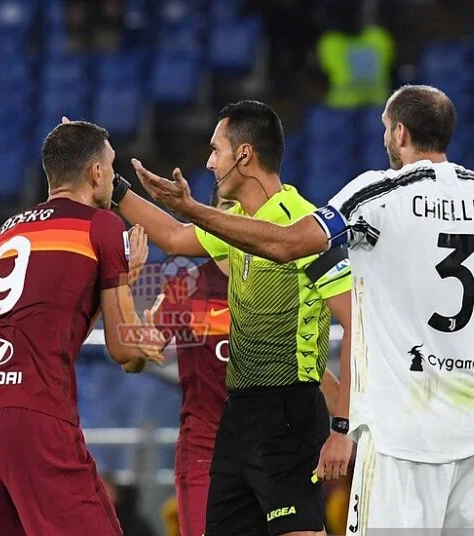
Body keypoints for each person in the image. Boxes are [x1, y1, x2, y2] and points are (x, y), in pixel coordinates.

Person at [132, 84, 474, 531]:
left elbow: (287, 243)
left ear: (399, 133)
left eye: (384, 129)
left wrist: (194, 212)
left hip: (401, 438)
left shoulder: (377, 196)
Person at [113, 100, 353, 536]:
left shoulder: (304, 225)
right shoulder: (220, 245)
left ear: (243, 155)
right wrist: (112, 187)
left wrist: (345, 427)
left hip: (287, 412)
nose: (208, 161)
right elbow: (170, 236)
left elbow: (351, 330)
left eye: (215, 149)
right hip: (231, 424)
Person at [0, 120, 164, 536]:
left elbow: (45, 328)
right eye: (111, 166)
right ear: (97, 173)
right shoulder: (101, 226)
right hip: (35, 418)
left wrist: (112, 288)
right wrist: (137, 316)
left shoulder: (5, 232)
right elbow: (124, 351)